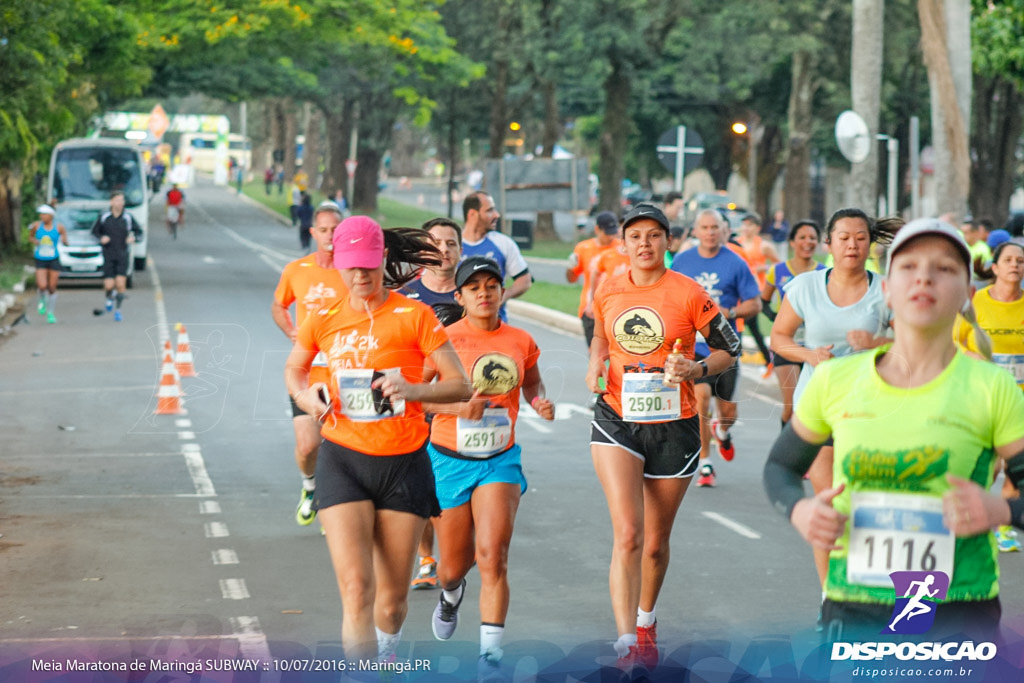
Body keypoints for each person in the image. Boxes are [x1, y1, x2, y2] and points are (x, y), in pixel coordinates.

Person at [764, 218, 1024, 642]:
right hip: (854, 606)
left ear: (966, 294)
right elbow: (779, 466)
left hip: (958, 610)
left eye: (944, 268)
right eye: (908, 267)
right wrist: (800, 509)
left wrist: (1003, 512)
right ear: (886, 290)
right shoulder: (835, 381)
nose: (924, 276)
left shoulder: (991, 388)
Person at [284, 216, 472, 664]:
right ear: (338, 263)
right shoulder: (322, 317)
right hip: (344, 460)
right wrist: (309, 397)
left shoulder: (415, 315)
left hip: (403, 464)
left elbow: (460, 386)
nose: (360, 276)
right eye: (351, 267)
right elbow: (294, 370)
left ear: (382, 258)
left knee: (391, 602)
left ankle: (385, 661)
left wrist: (413, 391)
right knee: (356, 591)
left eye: (369, 265)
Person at [587, 204, 741, 672]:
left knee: (654, 542)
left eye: (655, 235)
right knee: (628, 534)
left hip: (675, 425)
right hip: (616, 417)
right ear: (623, 243)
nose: (645, 244)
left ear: (668, 243)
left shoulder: (690, 293)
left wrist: (695, 368)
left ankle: (646, 620)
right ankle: (625, 643)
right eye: (635, 236)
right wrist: (596, 360)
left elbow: (729, 349)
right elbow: (599, 335)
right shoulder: (609, 288)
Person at [423, 256, 555, 679]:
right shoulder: (442, 339)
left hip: (500, 460)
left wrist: (539, 403)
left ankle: (490, 657)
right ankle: (451, 594)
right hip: (448, 460)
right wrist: (459, 405)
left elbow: (531, 381)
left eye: (491, 285)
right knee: (451, 567)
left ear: (501, 292)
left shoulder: (520, 339)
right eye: (473, 287)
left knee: (493, 556)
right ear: (459, 297)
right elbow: (415, 397)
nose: (484, 292)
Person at [768, 208, 895, 620]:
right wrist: (810, 355)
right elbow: (779, 337)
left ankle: (874, 591)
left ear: (870, 243)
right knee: (830, 507)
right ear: (829, 244)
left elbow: (913, 346)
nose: (852, 245)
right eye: (843, 238)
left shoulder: (887, 291)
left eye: (860, 238)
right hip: (818, 409)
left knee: (865, 506)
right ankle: (832, 597)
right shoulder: (805, 287)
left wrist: (876, 341)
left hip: (871, 411)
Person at [670, 208, 762, 487]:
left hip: (723, 346)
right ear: (695, 231)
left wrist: (729, 312)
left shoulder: (736, 263)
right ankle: (705, 463)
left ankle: (723, 431)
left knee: (728, 412)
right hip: (692, 346)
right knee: (700, 399)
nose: (710, 233)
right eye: (705, 227)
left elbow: (755, 304)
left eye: (715, 228)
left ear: (724, 231)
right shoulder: (682, 262)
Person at [399, 216, 466, 590]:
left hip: (461, 407)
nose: (444, 249)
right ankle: (427, 558)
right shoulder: (405, 296)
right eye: (436, 242)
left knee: (449, 490)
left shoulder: (475, 293)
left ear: (460, 249)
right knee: (420, 485)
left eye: (451, 243)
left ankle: (454, 558)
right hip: (416, 403)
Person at [273, 201, 347, 529]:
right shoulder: (296, 270)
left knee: (343, 444)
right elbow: (279, 305)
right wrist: (291, 330)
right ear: (313, 232)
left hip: (345, 371)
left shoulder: (353, 272)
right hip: (307, 369)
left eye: (336, 230)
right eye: (325, 230)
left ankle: (337, 505)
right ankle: (309, 487)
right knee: (308, 445)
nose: (331, 236)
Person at [954, 239, 1024, 552]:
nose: (1015, 265)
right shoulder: (976, 303)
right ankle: (972, 514)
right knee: (989, 466)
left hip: (1019, 399)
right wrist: (974, 357)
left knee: (1017, 468)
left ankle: (1004, 526)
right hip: (984, 395)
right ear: (994, 267)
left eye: (1020, 261)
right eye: (1009, 260)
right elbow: (951, 343)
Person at [759, 220, 825, 427]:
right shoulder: (777, 271)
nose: (808, 242)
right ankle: (785, 452)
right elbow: (764, 301)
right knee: (791, 407)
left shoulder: (824, 272)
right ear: (792, 242)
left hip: (815, 345)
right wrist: (777, 318)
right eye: (802, 237)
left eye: (812, 238)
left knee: (810, 406)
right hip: (786, 344)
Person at [460, 192, 531, 321]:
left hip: (496, 326)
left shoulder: (503, 243)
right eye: (489, 210)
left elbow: (525, 280)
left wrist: (504, 295)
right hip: (459, 327)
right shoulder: (451, 245)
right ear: (472, 214)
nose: (496, 215)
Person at [567, 211, 621, 348]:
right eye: (607, 232)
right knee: (595, 354)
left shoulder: (621, 248)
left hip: (615, 308)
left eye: (613, 232)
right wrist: (570, 267)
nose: (611, 236)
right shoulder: (583, 248)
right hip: (590, 308)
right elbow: (572, 279)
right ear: (597, 229)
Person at [735, 213, 779, 376]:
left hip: (756, 292)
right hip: (739, 291)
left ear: (757, 228)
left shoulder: (763, 246)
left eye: (750, 225)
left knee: (744, 324)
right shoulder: (736, 244)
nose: (746, 228)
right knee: (752, 328)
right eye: (744, 225)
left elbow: (778, 264)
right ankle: (769, 361)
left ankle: (736, 359)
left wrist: (762, 268)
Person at [91, 191, 142, 322]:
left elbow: (139, 233)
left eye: (122, 200)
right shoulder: (104, 217)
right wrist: (101, 238)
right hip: (108, 254)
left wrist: (133, 238)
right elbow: (94, 233)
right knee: (109, 285)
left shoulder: (128, 218)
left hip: (122, 254)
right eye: (118, 200)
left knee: (120, 284)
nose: (120, 203)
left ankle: (118, 310)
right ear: (112, 202)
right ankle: (109, 298)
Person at [29, 205, 67, 324]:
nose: (42, 216)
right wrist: (35, 241)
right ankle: (42, 300)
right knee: (42, 285)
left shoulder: (59, 227)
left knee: (51, 287)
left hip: (54, 259)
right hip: (40, 258)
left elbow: (65, 239)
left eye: (44, 214)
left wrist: (65, 242)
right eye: (41, 214)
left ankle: (50, 312)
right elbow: (30, 237)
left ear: (51, 216)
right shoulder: (36, 226)